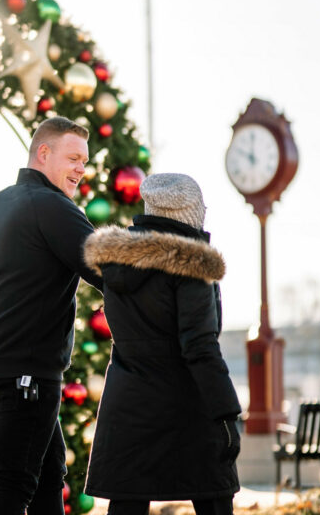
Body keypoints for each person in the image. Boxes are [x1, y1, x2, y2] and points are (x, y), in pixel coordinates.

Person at [0, 116, 103, 515]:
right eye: (73, 158)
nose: (80, 170)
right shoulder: (53, 207)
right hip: (27, 372)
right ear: (43, 152)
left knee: (49, 473)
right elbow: (107, 267)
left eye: (84, 162)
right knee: (14, 485)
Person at [83, 173, 242, 515]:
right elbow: (200, 348)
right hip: (190, 411)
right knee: (213, 498)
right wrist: (227, 415)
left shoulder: (116, 260)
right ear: (191, 212)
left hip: (128, 408)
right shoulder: (192, 263)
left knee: (127, 504)